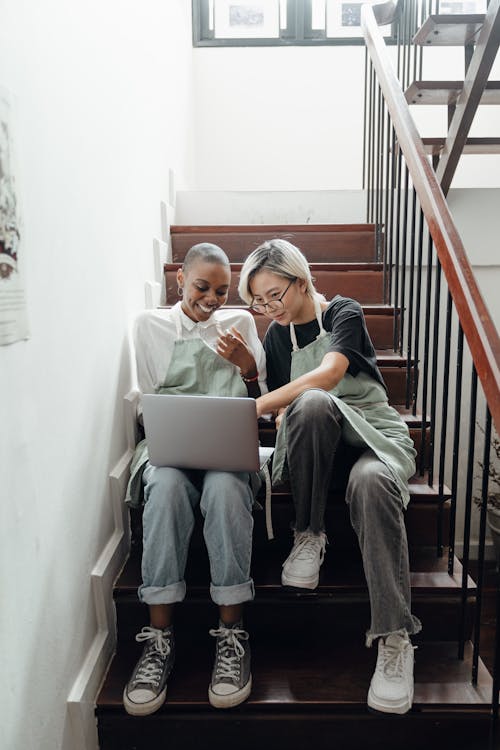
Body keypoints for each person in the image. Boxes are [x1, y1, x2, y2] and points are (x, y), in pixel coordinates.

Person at [238, 238, 421, 716]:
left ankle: (394, 638)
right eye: (256, 301)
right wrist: (282, 414)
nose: (266, 308)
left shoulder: (344, 312)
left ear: (301, 281)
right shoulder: (277, 338)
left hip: (372, 437)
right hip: (322, 449)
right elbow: (291, 406)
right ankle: (309, 534)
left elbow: (330, 373)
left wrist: (262, 405)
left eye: (273, 295)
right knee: (310, 409)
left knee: (371, 482)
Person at [123, 242, 267, 716]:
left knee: (226, 487)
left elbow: (261, 399)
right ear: (179, 279)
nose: (212, 299)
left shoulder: (241, 324)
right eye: (202, 287)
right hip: (171, 450)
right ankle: (158, 638)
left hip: (226, 452)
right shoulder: (149, 326)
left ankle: (231, 633)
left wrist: (247, 369)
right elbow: (146, 403)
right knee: (162, 488)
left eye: (223, 291)